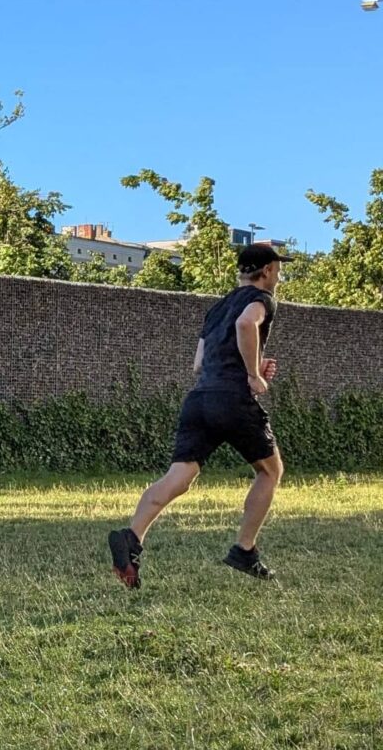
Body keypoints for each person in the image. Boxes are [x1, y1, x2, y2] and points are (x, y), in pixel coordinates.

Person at [108, 244, 293, 588]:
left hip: (200, 399)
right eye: (278, 269)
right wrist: (253, 374)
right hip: (233, 400)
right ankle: (244, 549)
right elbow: (246, 324)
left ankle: (131, 538)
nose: (279, 276)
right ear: (267, 270)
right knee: (270, 471)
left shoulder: (216, 309)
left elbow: (199, 364)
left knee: (179, 477)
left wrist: (250, 366)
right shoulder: (262, 300)